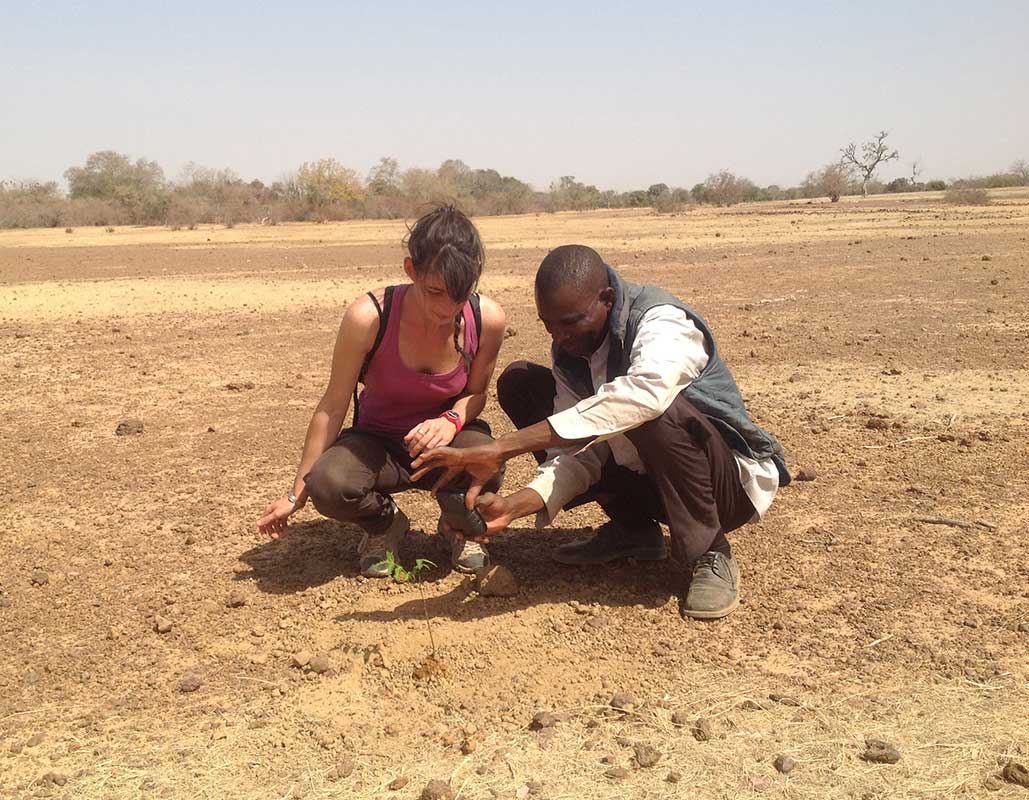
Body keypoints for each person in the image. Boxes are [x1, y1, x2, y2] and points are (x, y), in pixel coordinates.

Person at [412, 244, 789, 619]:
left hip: (725, 487)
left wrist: (503, 448)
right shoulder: (572, 351)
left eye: (571, 321)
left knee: (650, 412)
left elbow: (644, 397)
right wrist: (513, 507)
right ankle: (634, 529)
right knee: (522, 383)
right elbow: (577, 450)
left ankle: (711, 551)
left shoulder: (661, 321)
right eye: (549, 324)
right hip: (654, 478)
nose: (559, 337)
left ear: (606, 299)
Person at [257, 206, 507, 577]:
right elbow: (332, 406)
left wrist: (451, 420)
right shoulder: (369, 317)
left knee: (485, 459)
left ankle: (459, 527)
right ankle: (385, 525)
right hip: (378, 446)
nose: (445, 308)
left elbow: (477, 395)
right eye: (434, 291)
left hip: (445, 445)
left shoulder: (486, 319)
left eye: (459, 294)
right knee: (329, 484)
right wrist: (297, 494)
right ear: (411, 270)